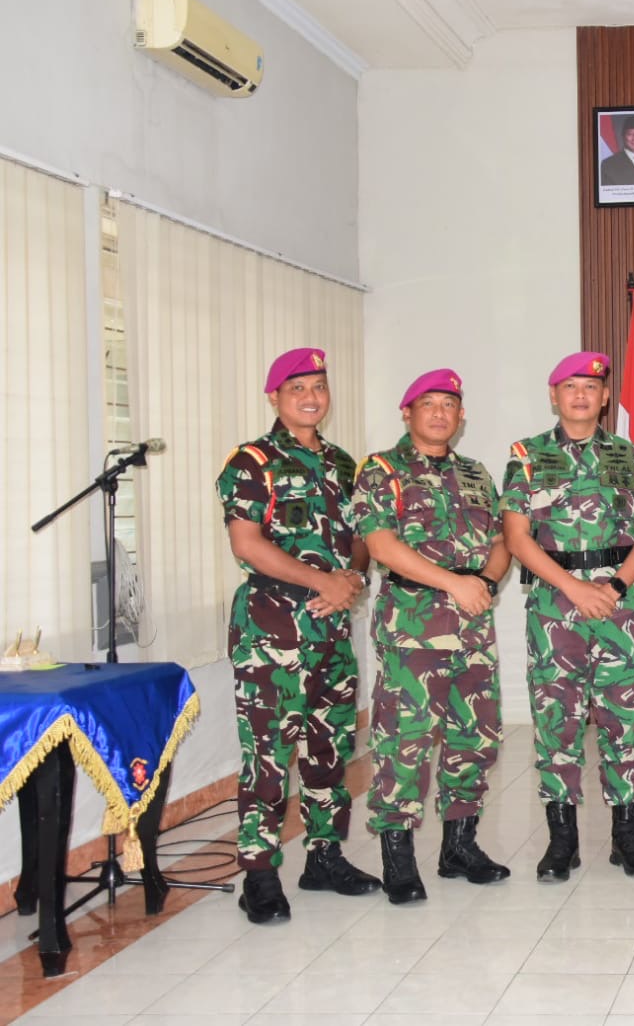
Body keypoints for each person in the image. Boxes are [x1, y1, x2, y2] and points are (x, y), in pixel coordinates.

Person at [216, 346, 380, 924]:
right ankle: (259, 874)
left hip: (331, 629)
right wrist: (322, 580)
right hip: (272, 627)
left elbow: (360, 537)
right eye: (297, 389)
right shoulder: (252, 461)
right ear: (275, 398)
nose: (311, 398)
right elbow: (247, 544)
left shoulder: (342, 463)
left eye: (318, 387)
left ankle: (324, 856)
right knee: (268, 754)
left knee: (329, 748)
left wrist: (352, 578)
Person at [350, 369, 513, 904]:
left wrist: (486, 583)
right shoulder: (382, 470)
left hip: (473, 624)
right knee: (405, 739)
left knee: (475, 735)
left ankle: (459, 847)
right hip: (414, 625)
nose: (441, 413)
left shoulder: (476, 473)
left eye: (449, 405)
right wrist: (454, 583)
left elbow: (501, 541)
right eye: (429, 404)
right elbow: (381, 546)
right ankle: (398, 859)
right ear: (408, 413)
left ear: (461, 416)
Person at [501, 351, 634, 881]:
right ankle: (561, 842)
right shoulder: (527, 455)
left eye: (590, 388)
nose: (580, 395)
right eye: (569, 387)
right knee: (557, 725)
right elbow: (516, 537)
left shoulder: (628, 454)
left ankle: (627, 838)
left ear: (605, 397)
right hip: (556, 607)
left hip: (620, 606)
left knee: (625, 724)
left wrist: (613, 587)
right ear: (554, 396)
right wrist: (574, 587)